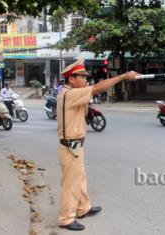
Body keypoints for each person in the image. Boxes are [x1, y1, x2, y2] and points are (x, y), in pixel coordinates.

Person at [57, 58, 138, 231]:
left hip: (76, 145)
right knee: (71, 184)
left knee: (80, 179)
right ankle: (66, 218)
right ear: (71, 78)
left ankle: (82, 208)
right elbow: (97, 88)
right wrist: (123, 76)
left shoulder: (70, 91)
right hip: (70, 145)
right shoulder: (69, 93)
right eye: (82, 76)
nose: (85, 80)